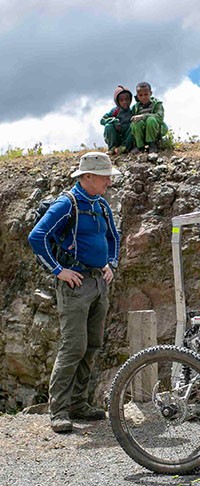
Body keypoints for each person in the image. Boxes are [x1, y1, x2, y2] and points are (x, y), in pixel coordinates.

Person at [28, 152, 121, 433]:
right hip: (74, 284)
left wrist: (111, 264)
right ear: (87, 177)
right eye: (105, 176)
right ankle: (59, 411)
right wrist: (59, 271)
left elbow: (113, 238)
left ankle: (80, 404)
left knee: (92, 345)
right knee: (73, 347)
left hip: (97, 283)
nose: (109, 180)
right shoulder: (66, 204)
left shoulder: (100, 204)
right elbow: (37, 237)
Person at [130, 82, 168, 154]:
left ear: (150, 93)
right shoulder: (135, 108)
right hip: (142, 132)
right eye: (140, 95)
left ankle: (152, 144)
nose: (143, 97)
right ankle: (139, 146)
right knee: (135, 123)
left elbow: (159, 117)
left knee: (151, 120)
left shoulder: (157, 104)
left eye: (146, 94)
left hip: (155, 131)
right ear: (137, 96)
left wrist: (143, 116)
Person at [100, 85, 134, 155]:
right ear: (117, 102)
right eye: (121, 100)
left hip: (127, 138)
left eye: (127, 99)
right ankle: (112, 148)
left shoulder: (133, 111)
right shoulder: (115, 111)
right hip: (117, 137)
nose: (124, 102)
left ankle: (124, 148)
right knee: (108, 126)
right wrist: (113, 120)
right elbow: (102, 120)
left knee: (134, 125)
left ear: (130, 100)